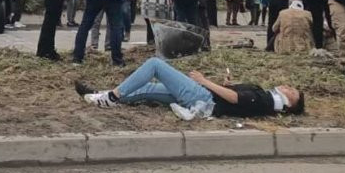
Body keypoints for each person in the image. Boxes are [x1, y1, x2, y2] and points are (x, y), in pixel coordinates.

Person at [74, 57, 305, 120]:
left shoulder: (267, 101)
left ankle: (112, 96)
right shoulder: (264, 97)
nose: (288, 87)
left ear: (289, 103)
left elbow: (236, 99)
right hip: (204, 99)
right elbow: (237, 96)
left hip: (202, 97)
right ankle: (98, 95)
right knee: (149, 89)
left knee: (155, 64)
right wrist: (226, 85)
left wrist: (205, 81)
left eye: (292, 91)